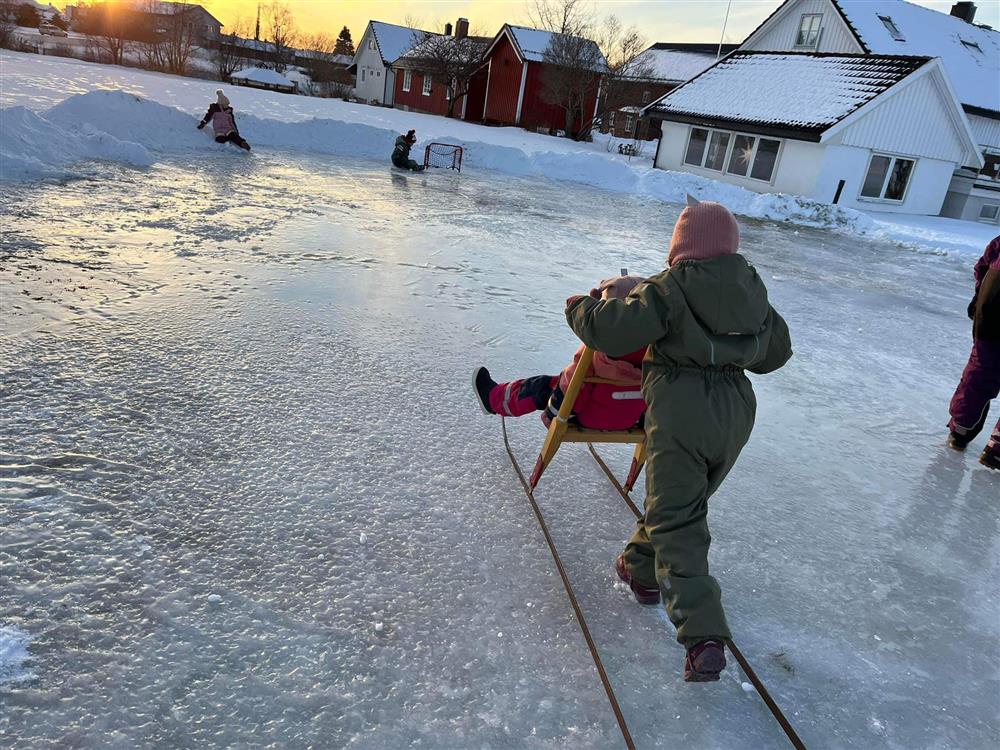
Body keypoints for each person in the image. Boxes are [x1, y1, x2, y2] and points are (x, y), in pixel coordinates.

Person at [564, 197, 793, 682]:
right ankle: (639, 568)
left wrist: (581, 308)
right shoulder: (752, 289)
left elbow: (614, 329)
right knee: (681, 503)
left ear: (682, 248)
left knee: (678, 521)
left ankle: (702, 634)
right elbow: (776, 353)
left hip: (680, 410)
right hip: (735, 414)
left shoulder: (670, 287)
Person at [473, 276, 647, 430]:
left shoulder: (595, 350)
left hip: (586, 416)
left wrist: (554, 413)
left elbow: (572, 384)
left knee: (542, 385)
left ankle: (494, 399)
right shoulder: (658, 353)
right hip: (632, 420)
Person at [947, 235, 1000, 470]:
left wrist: (978, 297)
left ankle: (960, 430)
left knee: (979, 373)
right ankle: (994, 449)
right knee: (980, 373)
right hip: (991, 313)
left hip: (991, 314)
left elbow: (983, 265)